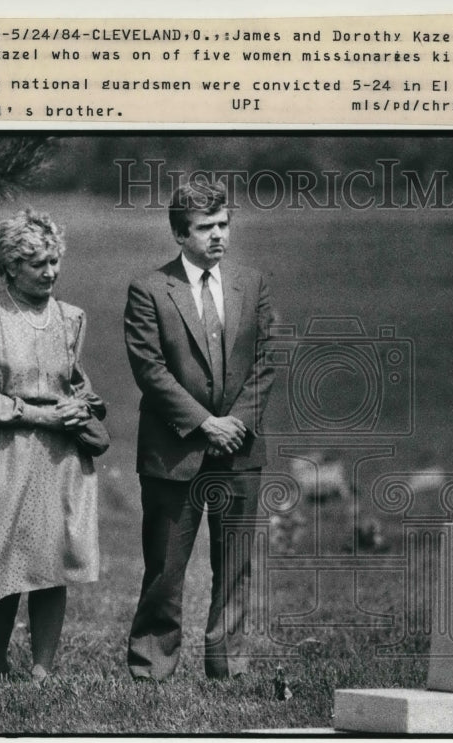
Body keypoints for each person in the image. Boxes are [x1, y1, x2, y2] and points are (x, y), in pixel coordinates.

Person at [124, 179, 275, 680]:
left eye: (224, 224)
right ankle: (151, 665)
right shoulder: (148, 289)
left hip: (240, 449)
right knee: (166, 566)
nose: (218, 236)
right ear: (178, 233)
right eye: (206, 227)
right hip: (175, 449)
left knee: (235, 565)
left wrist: (237, 423)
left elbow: (267, 361)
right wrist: (205, 423)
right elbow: (149, 368)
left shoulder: (252, 283)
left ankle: (227, 665)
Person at [0, 208, 103, 682]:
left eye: (54, 260)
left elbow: (74, 381)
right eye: (37, 262)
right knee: (1, 556)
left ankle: (42, 669)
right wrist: (41, 414)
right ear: (11, 267)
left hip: (61, 455)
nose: (50, 272)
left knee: (53, 559)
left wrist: (85, 405)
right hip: (5, 450)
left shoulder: (72, 317)